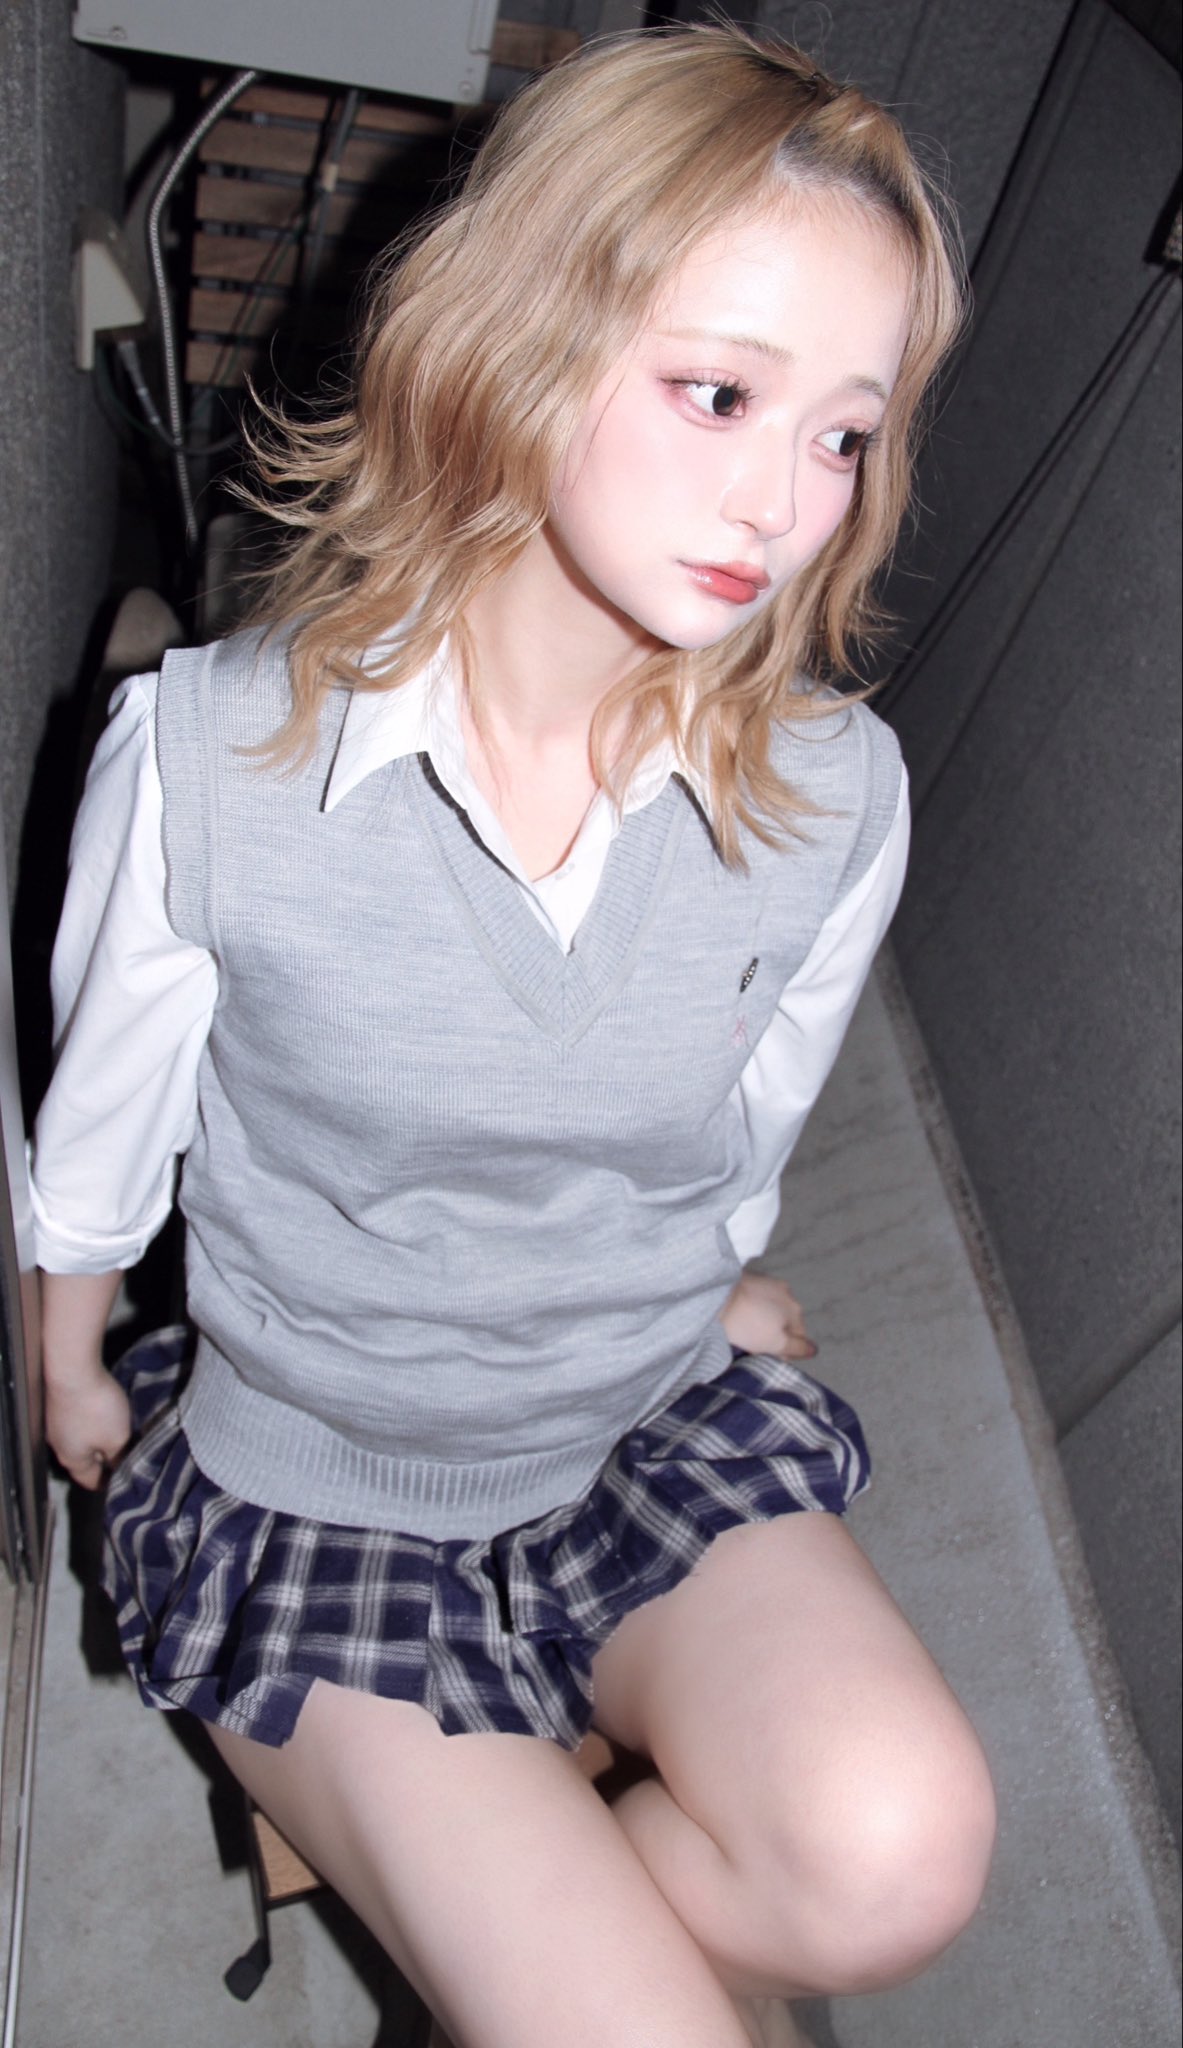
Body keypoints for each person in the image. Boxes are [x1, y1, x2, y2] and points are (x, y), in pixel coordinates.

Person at [31, 26, 996, 2048]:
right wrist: (71, 1358)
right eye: (719, 393)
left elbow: (742, 1128)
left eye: (844, 433)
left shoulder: (837, 797)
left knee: (897, 1858)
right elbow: (104, 1130)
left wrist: (705, 1272)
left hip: (627, 1417)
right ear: (519, 336)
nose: (783, 503)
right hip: (317, 1481)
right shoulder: (210, 763)